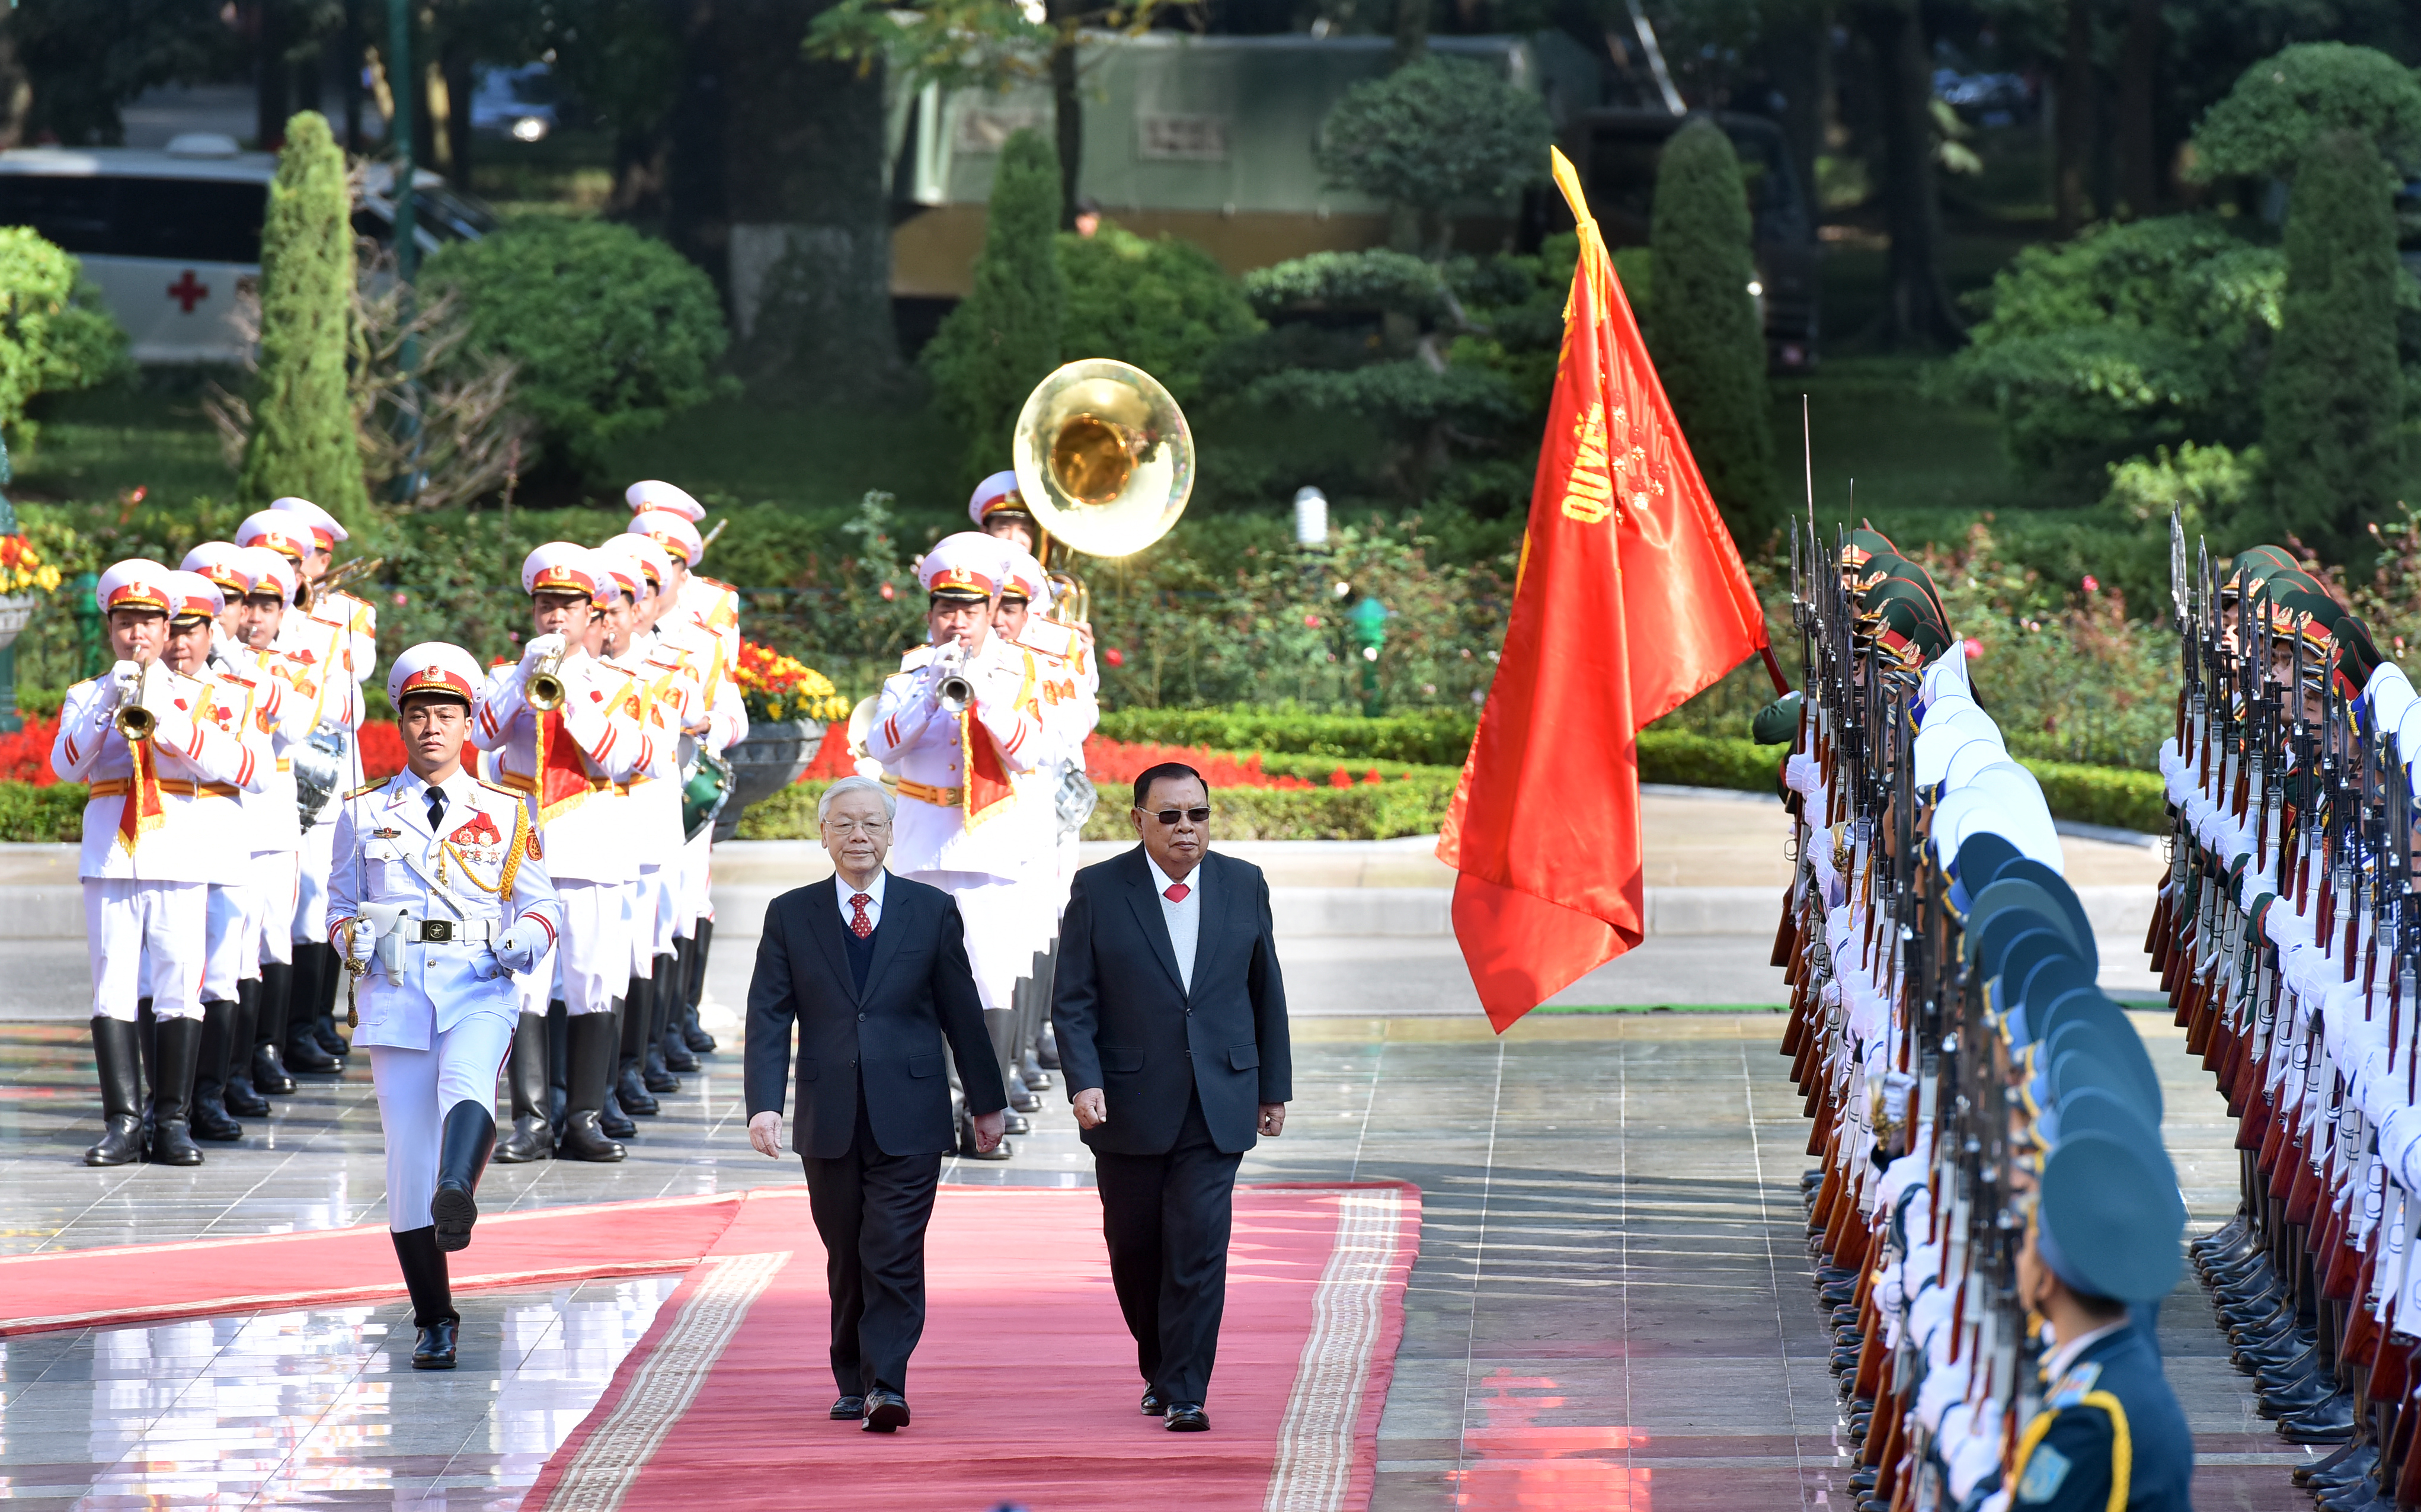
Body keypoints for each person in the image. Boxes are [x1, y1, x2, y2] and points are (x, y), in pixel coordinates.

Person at [744, 774, 1008, 1432]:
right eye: (844, 824)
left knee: (890, 1246)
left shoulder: (930, 908)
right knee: (846, 1249)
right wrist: (763, 1103)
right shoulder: (790, 913)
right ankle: (851, 1372)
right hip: (828, 1114)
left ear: (891, 835)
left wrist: (985, 1100)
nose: (858, 835)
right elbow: (769, 1016)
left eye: (871, 824)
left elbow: (961, 1010)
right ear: (823, 834)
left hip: (911, 1110)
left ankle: (885, 1382)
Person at [328, 643, 563, 1370]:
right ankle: (434, 1316)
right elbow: (336, 907)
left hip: (479, 979)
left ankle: (457, 1190)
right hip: (398, 990)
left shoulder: (504, 807)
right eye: (419, 713)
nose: (433, 726)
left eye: (447, 714)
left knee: (467, 1084)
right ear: (401, 722)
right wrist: (353, 938)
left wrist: (524, 940)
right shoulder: (364, 810)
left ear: (468, 726)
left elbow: (542, 900)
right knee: (407, 1158)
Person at [1051, 761, 1293, 1433]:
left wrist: (1273, 1085)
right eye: (1170, 816)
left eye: (1198, 814)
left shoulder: (1243, 883)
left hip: (1219, 1097)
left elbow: (1264, 988)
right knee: (1135, 1251)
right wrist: (1084, 1079)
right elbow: (1072, 1000)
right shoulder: (1098, 889)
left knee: (1198, 1245)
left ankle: (1186, 1387)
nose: (1186, 827)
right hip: (1126, 1102)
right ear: (1138, 821)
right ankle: (1159, 1365)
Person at [51, 561, 267, 1165]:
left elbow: (242, 768)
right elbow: (67, 765)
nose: (137, 634)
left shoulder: (210, 696)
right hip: (112, 856)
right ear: (111, 628)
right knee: (113, 988)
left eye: (148, 621)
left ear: (167, 623)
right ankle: (122, 1122)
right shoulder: (86, 693)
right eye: (125, 622)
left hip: (180, 851)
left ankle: (171, 1119)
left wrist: (164, 715)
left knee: (179, 987)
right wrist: (107, 706)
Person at [863, 531, 1047, 1159]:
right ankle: (929, 1109)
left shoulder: (1020, 670)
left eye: (969, 609)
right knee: (918, 984)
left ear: (992, 607)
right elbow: (881, 746)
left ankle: (983, 1112)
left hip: (990, 844)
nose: (957, 622)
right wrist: (928, 691)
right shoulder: (912, 671)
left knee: (990, 982)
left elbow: (1029, 750)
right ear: (930, 612)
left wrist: (982, 691)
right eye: (946, 609)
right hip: (921, 847)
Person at [471, 544, 647, 1162]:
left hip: (592, 845)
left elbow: (623, 757)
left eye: (567, 606)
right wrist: (525, 681)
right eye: (545, 604)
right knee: (523, 983)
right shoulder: (505, 677)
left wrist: (567, 692)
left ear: (590, 613)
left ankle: (585, 1116)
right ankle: (530, 1120)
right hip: (522, 854)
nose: (554, 617)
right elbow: (482, 735)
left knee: (593, 980)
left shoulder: (617, 683)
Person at [2006, 1133, 2193, 1510]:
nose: (2018, 1260)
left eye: (2026, 1246)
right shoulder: (2121, 1364)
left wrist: (1967, 1480)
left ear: (2046, 1280)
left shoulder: (2089, 1418)